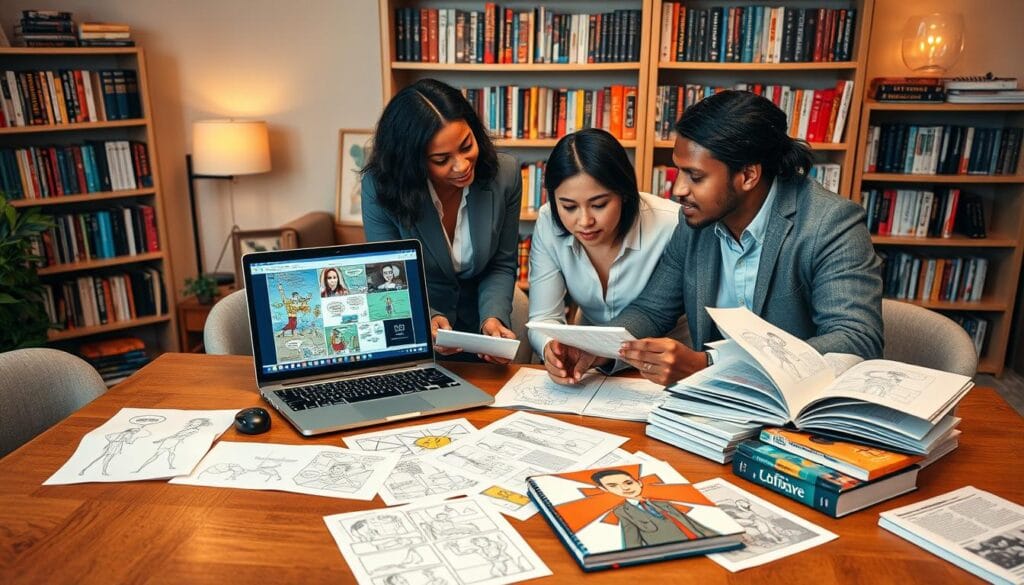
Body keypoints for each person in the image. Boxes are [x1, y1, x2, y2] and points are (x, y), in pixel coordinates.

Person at [548, 90, 883, 386]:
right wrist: (596, 349)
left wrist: (709, 365)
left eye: (695, 176)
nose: (678, 190)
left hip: (795, 413)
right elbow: (652, 309)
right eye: (679, 172)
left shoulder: (829, 223)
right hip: (714, 408)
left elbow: (856, 340)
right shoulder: (696, 222)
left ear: (748, 175)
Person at [361, 78, 522, 364]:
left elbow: (501, 263)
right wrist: (429, 316)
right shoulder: (381, 187)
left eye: (466, 145)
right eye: (441, 159)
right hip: (412, 336)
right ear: (411, 161)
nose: (461, 165)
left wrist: (493, 318)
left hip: (478, 338)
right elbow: (389, 276)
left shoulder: (504, 175)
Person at [527, 128, 681, 383]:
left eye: (599, 205)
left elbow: (655, 313)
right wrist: (551, 350)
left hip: (661, 370)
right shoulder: (548, 221)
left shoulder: (671, 224)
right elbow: (543, 318)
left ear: (624, 193)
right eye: (568, 206)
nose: (585, 221)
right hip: (593, 367)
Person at [591, 469, 718, 547]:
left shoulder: (661, 502)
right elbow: (631, 538)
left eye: (629, 483)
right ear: (604, 490)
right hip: (672, 550)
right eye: (613, 486)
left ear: (639, 483)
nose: (625, 488)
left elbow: (690, 522)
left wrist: (718, 537)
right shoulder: (622, 511)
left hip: (700, 541)